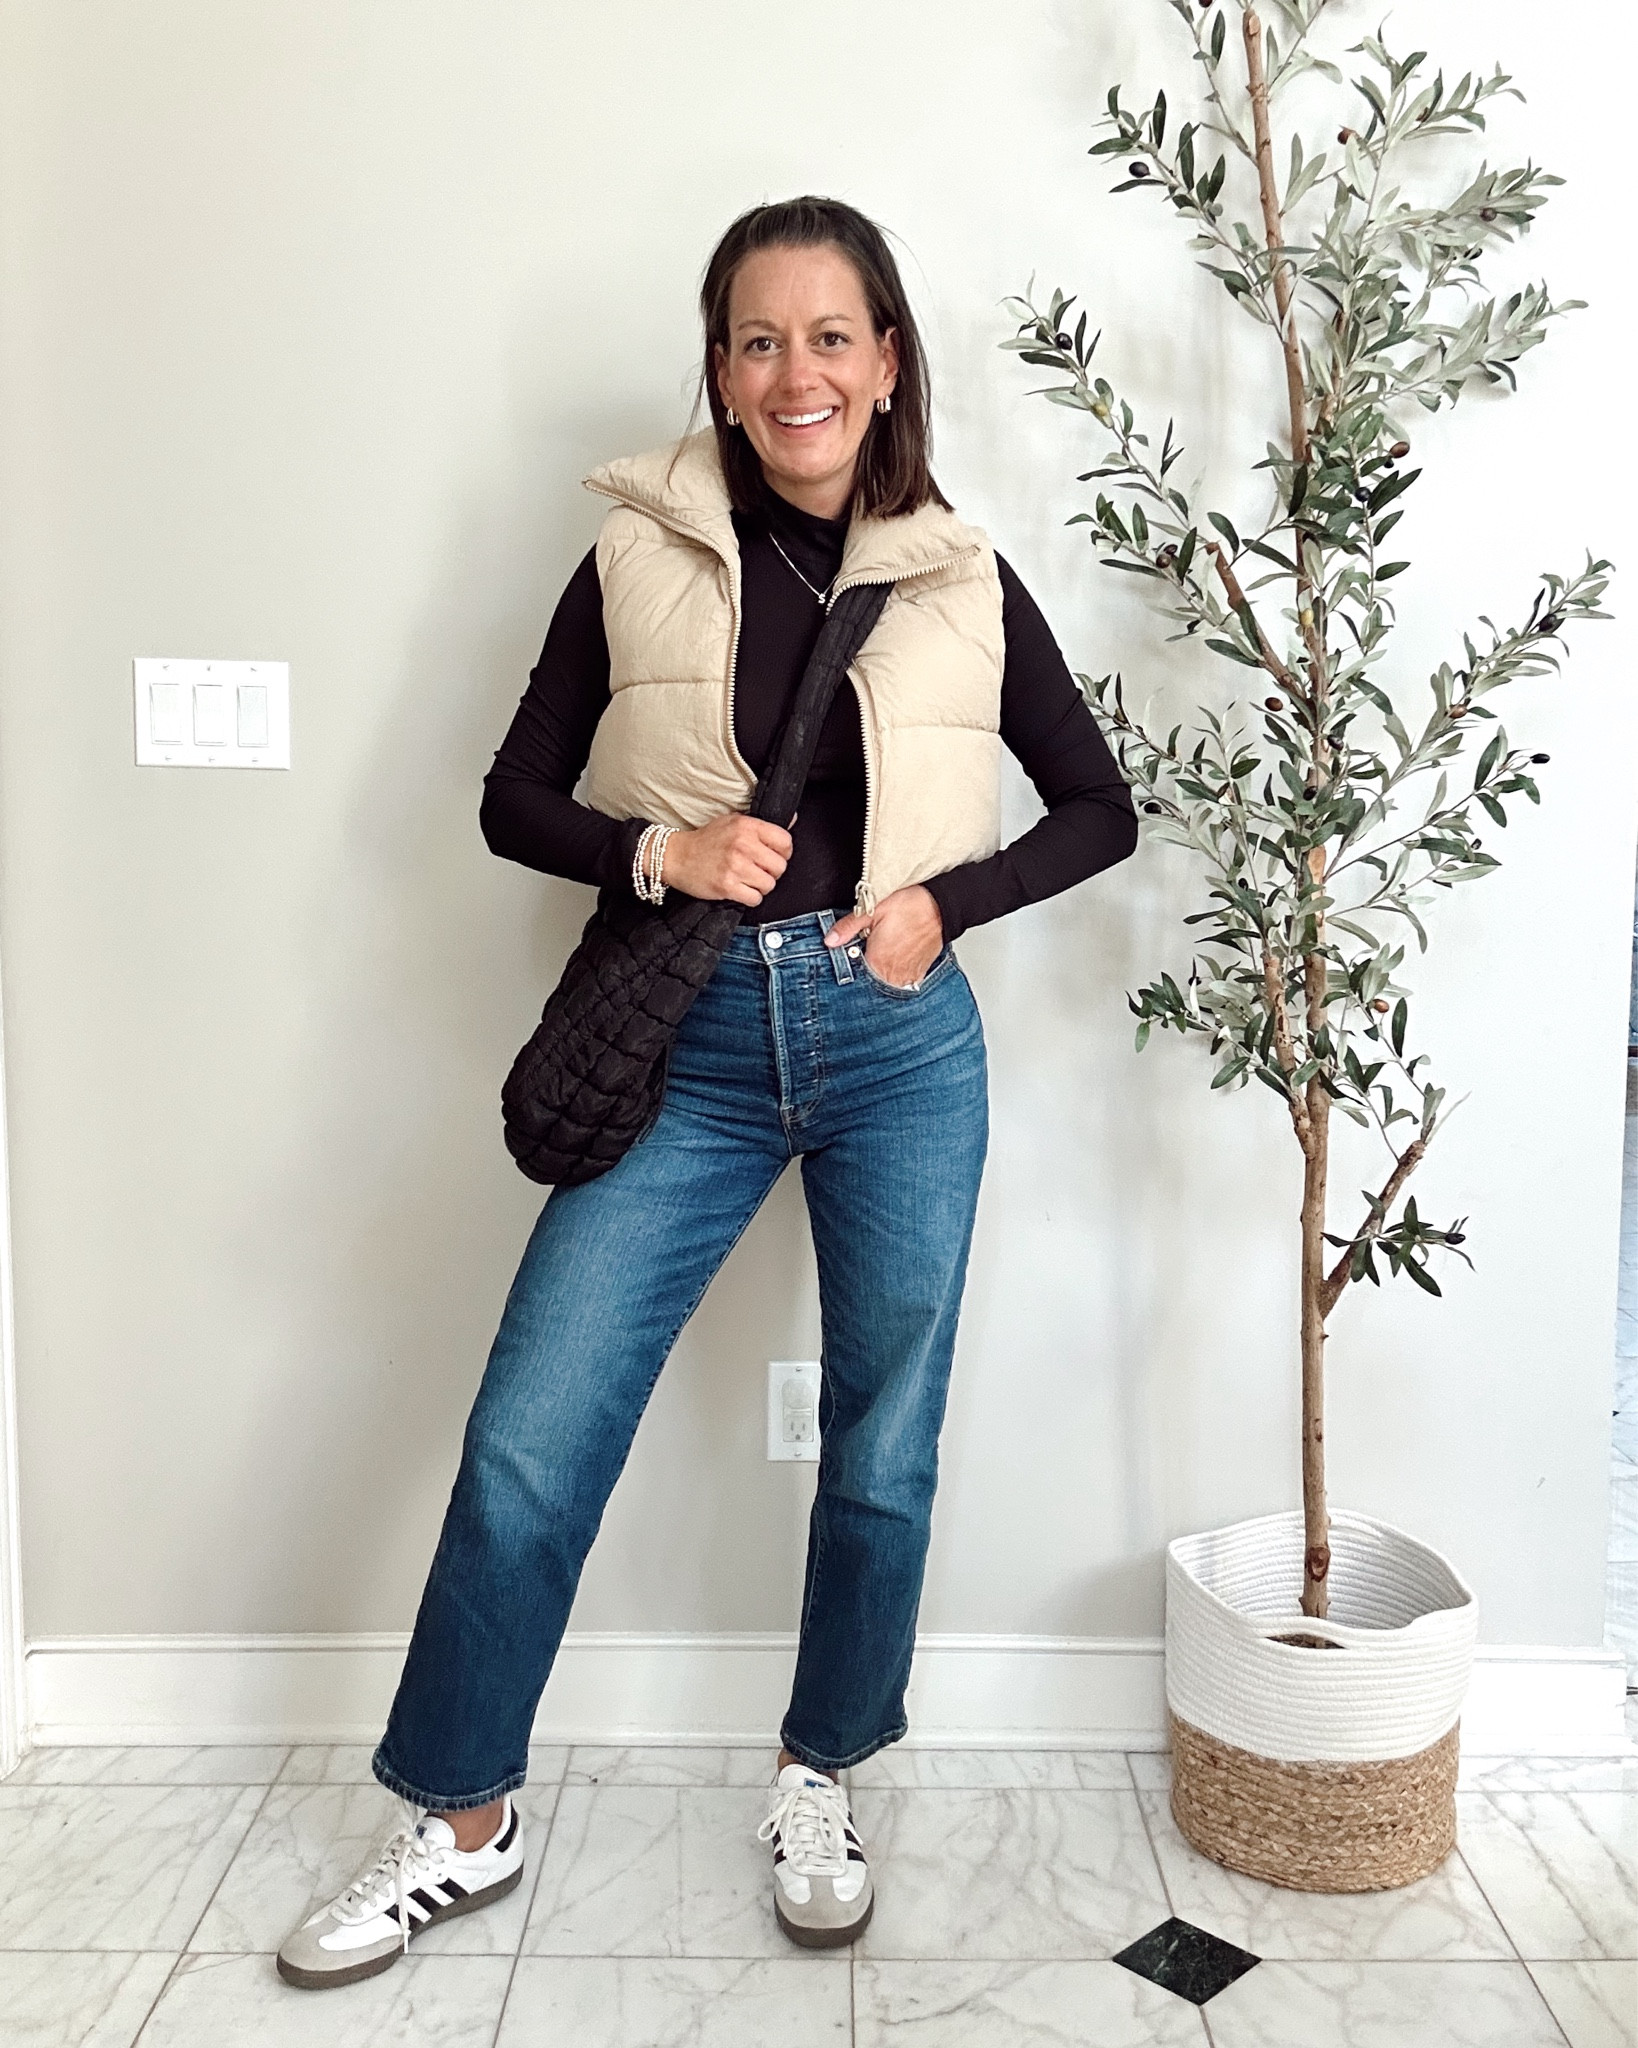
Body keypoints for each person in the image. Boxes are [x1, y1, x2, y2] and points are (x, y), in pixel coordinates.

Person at [277, 194, 1137, 1990]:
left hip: (897, 1042)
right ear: (722, 372)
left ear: (886, 359)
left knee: (882, 1443)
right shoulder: (638, 554)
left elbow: (1095, 805)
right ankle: (459, 1822)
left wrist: (934, 908)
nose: (795, 371)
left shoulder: (961, 573)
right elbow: (513, 798)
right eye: (757, 339)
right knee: (532, 1434)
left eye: (831, 335)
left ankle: (819, 1776)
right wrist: (660, 850)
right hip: (689, 1042)